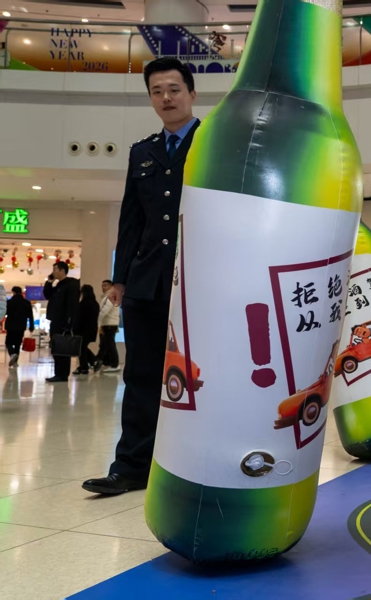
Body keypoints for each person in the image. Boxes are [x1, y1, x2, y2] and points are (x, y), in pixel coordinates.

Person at [82, 57, 199, 496]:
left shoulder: (213, 143)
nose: (166, 98)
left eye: (174, 89)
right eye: (157, 91)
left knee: (201, 375)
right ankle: (131, 467)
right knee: (142, 375)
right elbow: (131, 219)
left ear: (191, 93)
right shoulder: (142, 152)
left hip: (200, 279)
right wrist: (120, 278)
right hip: (147, 282)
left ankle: (196, 466)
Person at [43, 262, 80, 382]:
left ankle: (62, 374)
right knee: (56, 347)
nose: (53, 272)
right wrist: (49, 282)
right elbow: (47, 295)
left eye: (55, 269)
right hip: (55, 320)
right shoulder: (59, 285)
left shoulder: (71, 285)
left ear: (62, 270)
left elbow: (72, 305)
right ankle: (58, 373)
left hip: (63, 322)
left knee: (63, 348)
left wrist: (69, 322)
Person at [74, 285, 100, 375]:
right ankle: (92, 361)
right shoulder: (95, 304)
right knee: (83, 348)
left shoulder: (83, 304)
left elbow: (79, 318)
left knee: (81, 348)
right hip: (91, 329)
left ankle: (84, 366)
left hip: (82, 330)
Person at [5, 286, 34, 368]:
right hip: (21, 326)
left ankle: (12, 354)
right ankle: (15, 362)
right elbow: (30, 316)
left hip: (10, 325)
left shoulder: (9, 302)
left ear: (13, 292)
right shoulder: (26, 302)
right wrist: (31, 326)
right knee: (17, 344)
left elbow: (5, 313)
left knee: (8, 342)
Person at [96, 279, 120, 373]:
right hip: (107, 323)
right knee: (106, 344)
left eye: (105, 285)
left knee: (110, 344)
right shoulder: (106, 297)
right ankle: (107, 362)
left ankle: (114, 364)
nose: (103, 287)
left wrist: (98, 321)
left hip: (110, 324)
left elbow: (105, 310)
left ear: (111, 286)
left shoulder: (111, 296)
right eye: (102, 285)